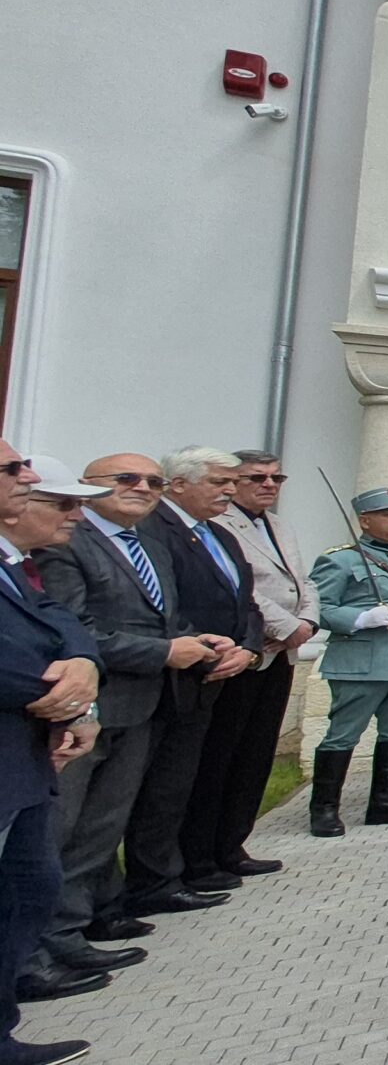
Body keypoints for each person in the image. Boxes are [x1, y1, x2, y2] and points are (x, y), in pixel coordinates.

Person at [21, 455, 226, 1001]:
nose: (143, 488)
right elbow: (74, 632)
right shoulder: (67, 542)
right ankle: (42, 942)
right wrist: (165, 651)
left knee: (101, 825)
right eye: (127, 479)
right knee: (59, 828)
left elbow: (163, 619)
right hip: (84, 707)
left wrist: (199, 640)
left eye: (154, 481)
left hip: (142, 704)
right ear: (90, 487)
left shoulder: (149, 544)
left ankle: (76, 925)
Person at [0, 444, 104, 1065]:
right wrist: (57, 697)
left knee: (29, 888)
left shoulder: (12, 562)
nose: (29, 476)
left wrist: (84, 667)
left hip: (23, 758)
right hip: (17, 734)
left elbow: (54, 618)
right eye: (13, 469)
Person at [126, 448, 258, 911]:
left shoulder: (219, 533)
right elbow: (164, 604)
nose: (231, 490)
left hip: (220, 672)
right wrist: (203, 651)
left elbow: (246, 601)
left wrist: (249, 646)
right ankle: (150, 882)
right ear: (179, 484)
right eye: (220, 482)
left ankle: (182, 869)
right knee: (158, 787)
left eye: (232, 482)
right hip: (173, 677)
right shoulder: (151, 529)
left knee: (190, 780)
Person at [191, 449, 315, 885]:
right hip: (244, 653)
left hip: (281, 654)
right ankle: (202, 852)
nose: (269, 485)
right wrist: (286, 627)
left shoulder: (280, 525)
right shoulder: (218, 524)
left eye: (276, 478)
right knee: (222, 754)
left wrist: (307, 623)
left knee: (256, 754)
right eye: (256, 477)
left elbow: (302, 581)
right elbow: (243, 589)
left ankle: (233, 844)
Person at [305, 486, 388, 835]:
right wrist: (358, 618)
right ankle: (324, 810)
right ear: (364, 521)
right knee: (343, 734)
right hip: (363, 660)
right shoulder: (340, 559)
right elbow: (318, 608)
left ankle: (386, 803)